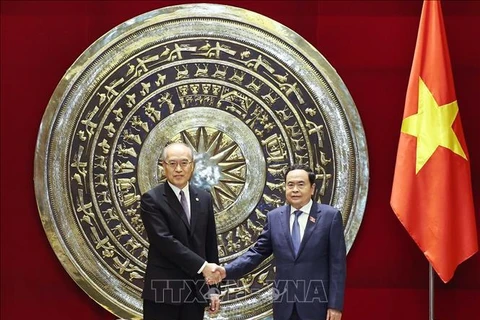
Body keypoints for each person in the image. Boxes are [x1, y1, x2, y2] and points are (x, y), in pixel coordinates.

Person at [215, 164, 346, 320]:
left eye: (301, 184)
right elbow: (257, 253)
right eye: (290, 185)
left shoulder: (330, 217)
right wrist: (226, 271)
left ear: (312, 188)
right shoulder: (274, 217)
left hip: (318, 305)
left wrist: (335, 305)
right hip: (284, 305)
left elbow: (338, 265)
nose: (295, 189)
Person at [140, 142, 221, 320]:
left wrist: (214, 289)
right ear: (163, 166)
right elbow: (165, 241)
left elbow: (210, 244)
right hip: (163, 294)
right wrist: (203, 267)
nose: (178, 169)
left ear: (192, 166)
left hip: (195, 293)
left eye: (184, 163)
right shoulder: (151, 200)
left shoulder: (204, 198)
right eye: (172, 163)